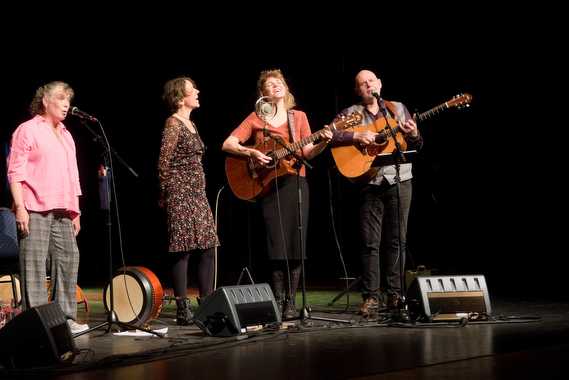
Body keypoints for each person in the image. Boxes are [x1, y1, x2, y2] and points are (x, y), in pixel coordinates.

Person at [222, 69, 331, 320]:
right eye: (270, 85)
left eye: (279, 83)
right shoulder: (256, 118)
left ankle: (291, 303)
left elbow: (308, 152)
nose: (276, 86)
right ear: (263, 94)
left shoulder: (299, 116)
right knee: (276, 245)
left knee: (295, 244)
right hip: (268, 185)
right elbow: (228, 144)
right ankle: (278, 301)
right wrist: (252, 153)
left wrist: (324, 141)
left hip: (295, 182)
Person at [328, 69, 422, 314]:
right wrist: (356, 135)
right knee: (370, 244)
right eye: (362, 83)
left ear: (379, 83)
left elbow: (417, 144)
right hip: (367, 183)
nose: (368, 85)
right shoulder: (351, 113)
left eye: (371, 81)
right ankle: (371, 297)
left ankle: (395, 296)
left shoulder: (398, 109)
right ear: (357, 90)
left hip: (400, 180)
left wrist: (414, 134)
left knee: (397, 243)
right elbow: (329, 134)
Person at [7, 81, 85, 334]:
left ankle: (66, 319)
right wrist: (20, 207)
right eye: (61, 99)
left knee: (68, 259)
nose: (66, 104)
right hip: (34, 207)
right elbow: (15, 172)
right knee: (34, 264)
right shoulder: (27, 130)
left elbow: (73, 176)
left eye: (68, 100)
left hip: (63, 209)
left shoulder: (66, 134)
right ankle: (38, 323)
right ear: (45, 101)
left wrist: (77, 210)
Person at [158, 77, 220, 325]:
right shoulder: (173, 124)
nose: (197, 91)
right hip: (179, 191)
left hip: (196, 192)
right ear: (180, 97)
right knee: (182, 248)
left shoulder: (191, 124)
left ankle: (205, 303)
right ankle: (183, 308)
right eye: (192, 89)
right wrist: (165, 195)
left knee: (208, 245)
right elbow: (163, 163)